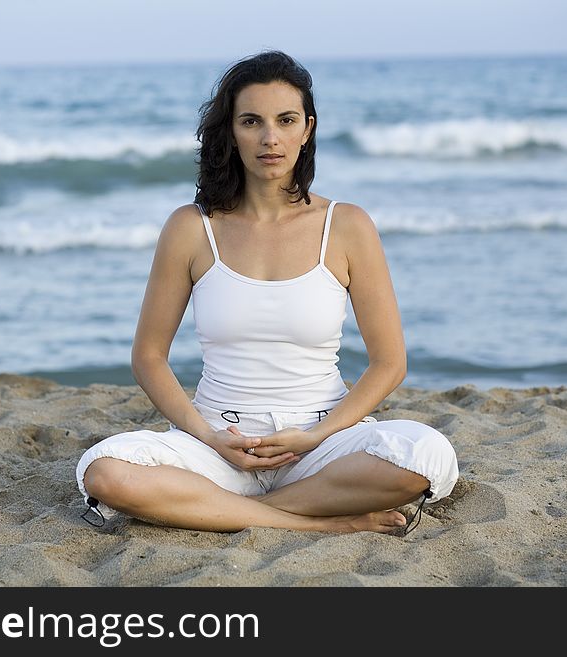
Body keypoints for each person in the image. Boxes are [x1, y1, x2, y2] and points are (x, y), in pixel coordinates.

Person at [76, 50, 458, 534]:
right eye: (252, 121)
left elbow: (390, 363)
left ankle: (225, 510)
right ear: (231, 132)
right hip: (220, 442)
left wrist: (315, 436)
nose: (270, 137)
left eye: (286, 120)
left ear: (308, 129)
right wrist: (209, 437)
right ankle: (318, 523)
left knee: (428, 456)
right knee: (104, 472)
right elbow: (148, 356)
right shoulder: (192, 228)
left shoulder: (347, 225)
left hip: (322, 442)